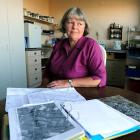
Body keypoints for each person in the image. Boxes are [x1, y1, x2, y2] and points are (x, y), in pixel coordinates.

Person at [42, 7, 106, 88]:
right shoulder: (58, 45)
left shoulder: (91, 46)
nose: (74, 27)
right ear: (64, 25)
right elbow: (47, 72)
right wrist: (43, 87)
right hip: (53, 92)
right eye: (70, 22)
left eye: (80, 23)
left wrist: (69, 83)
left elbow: (99, 79)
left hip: (80, 94)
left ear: (84, 27)